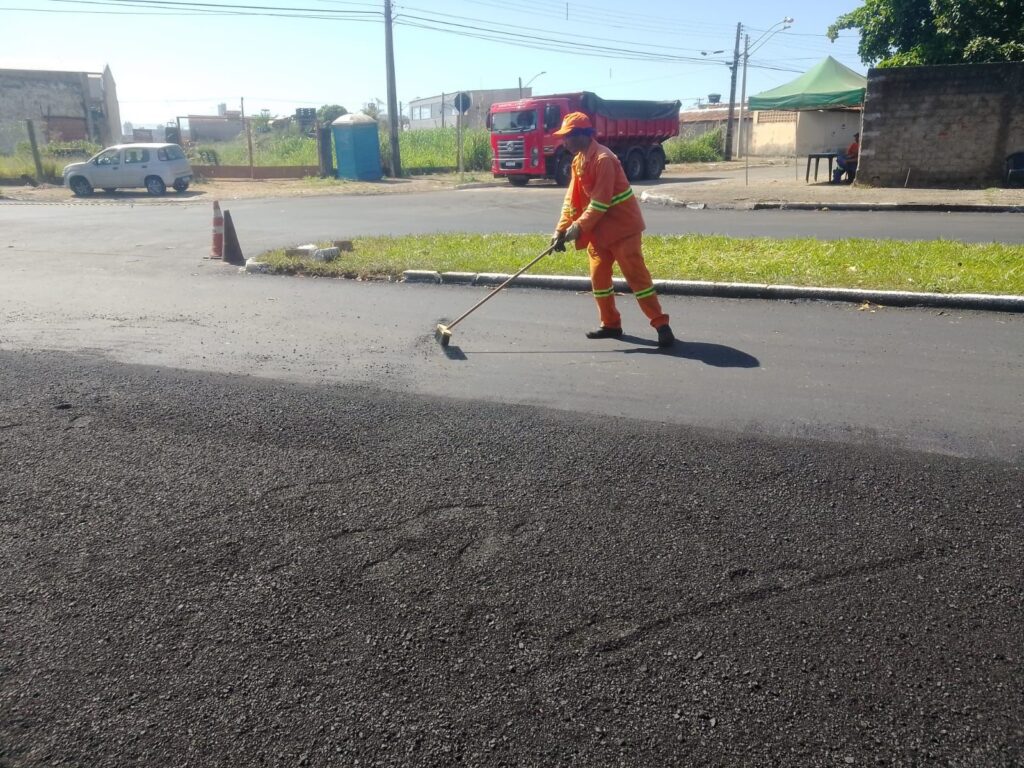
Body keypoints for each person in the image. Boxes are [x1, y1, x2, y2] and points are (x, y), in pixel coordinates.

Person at [549, 112, 676, 348]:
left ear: (582, 136)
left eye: (567, 136)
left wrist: (578, 228)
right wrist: (560, 229)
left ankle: (661, 325)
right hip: (598, 232)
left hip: (623, 229)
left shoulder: (603, 159)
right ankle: (610, 324)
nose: (563, 141)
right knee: (599, 279)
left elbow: (600, 202)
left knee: (637, 278)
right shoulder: (579, 161)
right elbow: (572, 200)